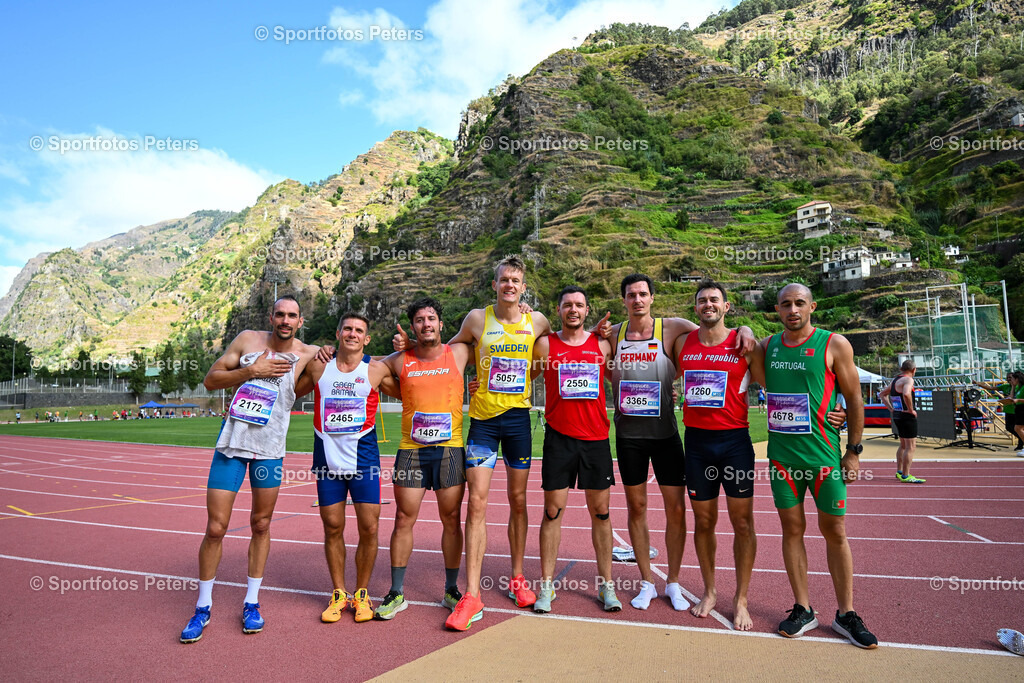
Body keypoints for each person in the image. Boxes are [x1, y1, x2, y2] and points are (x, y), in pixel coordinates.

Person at [395, 255, 554, 630]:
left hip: (517, 422)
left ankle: (517, 578)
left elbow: (545, 357)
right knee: (476, 504)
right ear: (494, 284)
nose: (509, 286)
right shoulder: (477, 319)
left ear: (523, 287)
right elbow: (442, 355)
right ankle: (472, 594)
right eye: (504, 280)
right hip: (483, 423)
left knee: (518, 501)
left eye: (516, 281)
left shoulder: (539, 321)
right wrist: (409, 344)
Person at [606, 273, 755, 610]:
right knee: (637, 508)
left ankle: (672, 580)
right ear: (624, 300)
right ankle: (646, 580)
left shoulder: (673, 329)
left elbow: (713, 331)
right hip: (628, 437)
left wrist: (745, 330)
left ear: (652, 298)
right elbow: (594, 361)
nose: (637, 300)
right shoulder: (613, 334)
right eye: (631, 295)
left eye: (643, 294)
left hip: (667, 436)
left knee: (676, 509)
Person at [179, 295, 319, 644]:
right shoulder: (246, 340)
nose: (285, 320)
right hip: (231, 446)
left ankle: (252, 602)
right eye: (280, 314)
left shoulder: (308, 353)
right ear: (270, 317)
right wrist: (251, 371)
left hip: (269, 451)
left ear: (300, 321)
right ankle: (202, 606)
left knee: (261, 524)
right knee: (216, 527)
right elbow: (211, 380)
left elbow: (353, 358)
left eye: (292, 316)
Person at [763, 283, 877, 649]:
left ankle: (846, 614)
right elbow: (743, 342)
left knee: (835, 531)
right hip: (782, 459)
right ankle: (803, 608)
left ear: (812, 306)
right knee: (791, 529)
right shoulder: (769, 346)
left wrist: (854, 451)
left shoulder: (834, 344)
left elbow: (855, 398)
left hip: (825, 458)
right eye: (785, 304)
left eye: (799, 303)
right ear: (777, 310)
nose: (792, 309)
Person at [295, 312, 399, 625]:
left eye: (359, 331)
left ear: (367, 339)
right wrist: (313, 352)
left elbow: (410, 388)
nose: (353, 334)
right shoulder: (318, 365)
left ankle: (362, 593)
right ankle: (339, 592)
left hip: (364, 457)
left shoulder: (377, 369)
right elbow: (293, 389)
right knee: (333, 526)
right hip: (326, 457)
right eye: (348, 329)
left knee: (369, 527)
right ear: (339, 333)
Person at [673, 280, 763, 630]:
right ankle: (710, 590)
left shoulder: (745, 345)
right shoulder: (683, 342)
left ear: (727, 307)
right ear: (695, 308)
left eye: (714, 300)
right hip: (696, 445)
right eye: (701, 301)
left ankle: (741, 599)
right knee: (704, 522)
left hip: (735, 445)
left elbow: (780, 382)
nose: (708, 305)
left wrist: (837, 408)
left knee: (742, 523)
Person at [373, 297, 470, 622]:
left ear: (441, 324)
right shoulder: (400, 360)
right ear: (412, 326)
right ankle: (396, 592)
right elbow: (367, 365)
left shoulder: (459, 352)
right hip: (411, 452)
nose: (426, 324)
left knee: (451, 519)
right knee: (403, 519)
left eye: (431, 319)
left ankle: (451, 588)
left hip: (450, 450)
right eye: (419, 320)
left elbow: (498, 334)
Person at [532, 286, 621, 613]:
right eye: (567, 304)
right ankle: (546, 585)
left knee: (601, 513)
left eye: (579, 305)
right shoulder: (545, 344)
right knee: (552, 511)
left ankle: (607, 586)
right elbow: (524, 376)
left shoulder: (601, 343)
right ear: (558, 310)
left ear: (587, 311)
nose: (573, 309)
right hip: (559, 439)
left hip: (596, 439)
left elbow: (620, 377)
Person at [878, 360, 923, 483]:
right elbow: (907, 394)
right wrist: (911, 410)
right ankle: (906, 475)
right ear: (914, 370)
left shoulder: (894, 381)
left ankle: (899, 472)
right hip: (907, 417)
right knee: (911, 446)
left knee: (903, 445)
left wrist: (891, 409)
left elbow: (882, 394)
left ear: (901, 369)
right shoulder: (908, 380)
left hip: (897, 416)